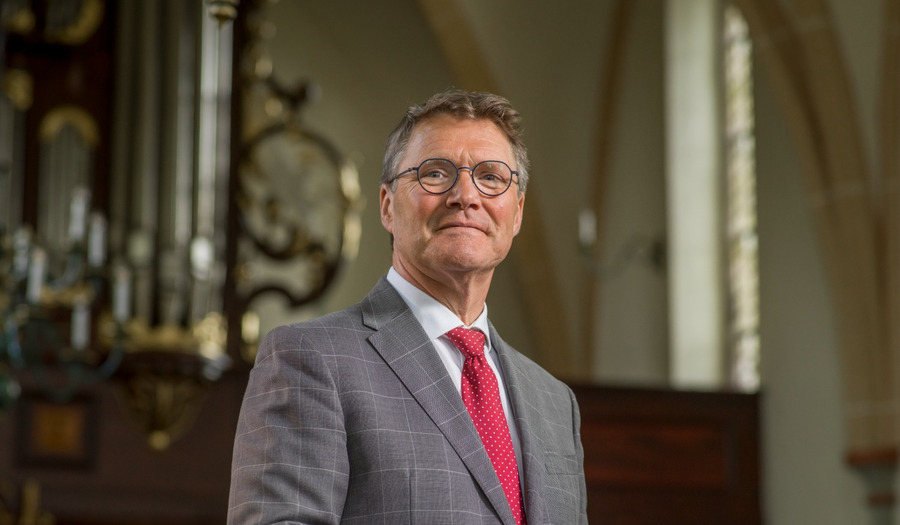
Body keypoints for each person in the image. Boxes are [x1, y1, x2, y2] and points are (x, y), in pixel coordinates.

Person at [227, 89, 587, 524]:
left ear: (518, 213)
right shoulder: (310, 359)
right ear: (387, 206)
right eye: (435, 173)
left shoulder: (555, 402)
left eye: (491, 177)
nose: (465, 195)